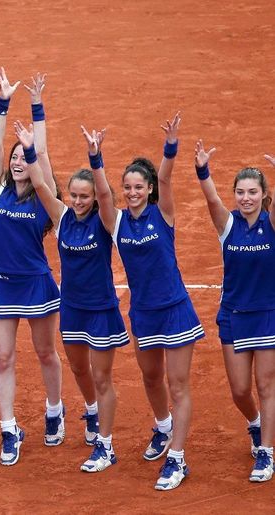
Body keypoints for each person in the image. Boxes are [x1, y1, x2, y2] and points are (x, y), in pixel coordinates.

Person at [94, 112, 204, 490]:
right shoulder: (118, 221)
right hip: (142, 313)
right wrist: (96, 158)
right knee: (150, 377)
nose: (132, 192)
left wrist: (170, 147)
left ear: (150, 189)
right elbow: (103, 194)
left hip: (174, 311)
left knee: (177, 386)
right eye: (128, 186)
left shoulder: (165, 214)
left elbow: (168, 176)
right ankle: (163, 427)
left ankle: (177, 458)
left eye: (139, 186)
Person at [14, 119, 130, 472]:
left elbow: (108, 193)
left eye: (85, 196)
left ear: (94, 198)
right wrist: (30, 149)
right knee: (80, 370)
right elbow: (38, 182)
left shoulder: (106, 220)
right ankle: (92, 411)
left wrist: (96, 159)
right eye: (74, 195)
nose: (79, 201)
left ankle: (106, 446)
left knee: (101, 377)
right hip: (72, 310)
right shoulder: (62, 217)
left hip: (101, 311)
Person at [0, 69, 64, 466]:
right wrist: (3, 102)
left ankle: (54, 409)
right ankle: (8, 428)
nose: (17, 161)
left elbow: (43, 159)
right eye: (15, 157)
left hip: (35, 284)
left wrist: (37, 109)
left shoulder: (43, 200)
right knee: (2, 358)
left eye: (23, 157)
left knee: (46, 353)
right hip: (1, 283)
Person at [193, 140, 275, 482]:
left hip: (268, 313)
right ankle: (254, 423)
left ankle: (267, 453)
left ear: (263, 195)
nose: (245, 198)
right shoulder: (228, 226)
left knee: (266, 385)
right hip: (233, 315)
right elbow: (212, 199)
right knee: (240, 390)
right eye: (240, 192)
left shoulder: (271, 224)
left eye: (252, 192)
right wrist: (202, 170)